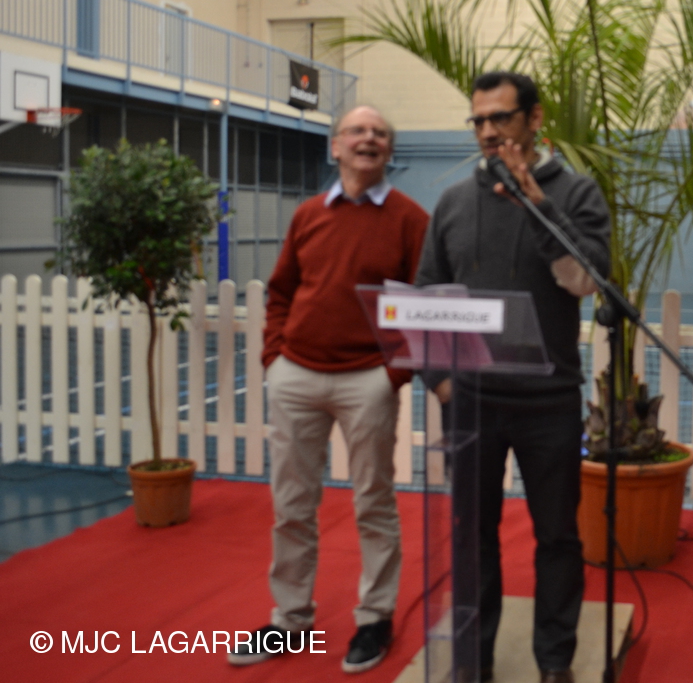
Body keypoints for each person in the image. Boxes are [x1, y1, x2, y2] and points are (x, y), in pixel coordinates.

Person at [416, 71, 611, 683]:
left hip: (548, 402)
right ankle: (473, 660)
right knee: (473, 538)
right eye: (478, 120)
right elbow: (426, 293)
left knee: (557, 537)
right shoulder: (453, 202)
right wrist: (440, 379)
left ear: (535, 119)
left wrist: (537, 203)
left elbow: (585, 281)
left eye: (500, 117)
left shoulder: (576, 194)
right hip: (470, 401)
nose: (488, 131)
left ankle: (554, 661)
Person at [230, 105, 429, 674]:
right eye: (357, 131)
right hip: (295, 374)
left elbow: (422, 303)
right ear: (335, 146)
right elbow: (282, 291)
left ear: (389, 151)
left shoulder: (411, 219)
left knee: (373, 501)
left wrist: (392, 375)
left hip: (368, 379)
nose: (369, 138)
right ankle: (290, 620)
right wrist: (275, 359)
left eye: (380, 133)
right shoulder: (308, 215)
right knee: (291, 505)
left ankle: (375, 617)